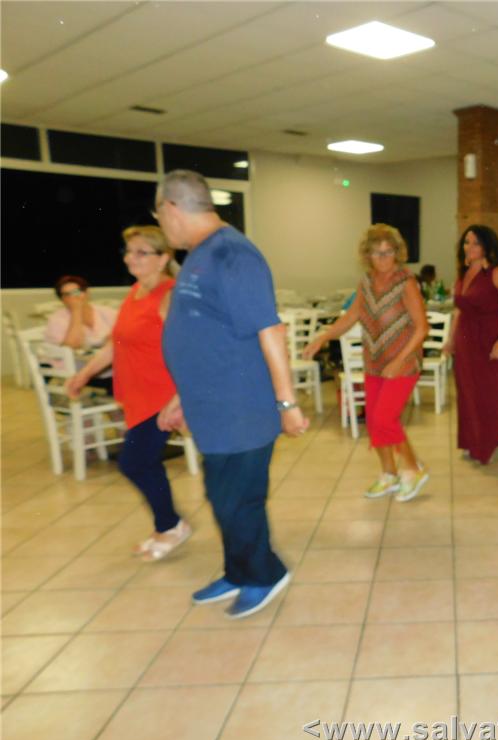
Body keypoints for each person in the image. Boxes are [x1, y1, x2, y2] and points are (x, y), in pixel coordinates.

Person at [156, 169, 308, 620]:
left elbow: (270, 331)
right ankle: (238, 571)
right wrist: (182, 396)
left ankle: (264, 574)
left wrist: (287, 404)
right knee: (223, 497)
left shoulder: (233, 254)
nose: (161, 224)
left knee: (239, 500)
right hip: (213, 406)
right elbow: (202, 333)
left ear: (172, 208)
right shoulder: (200, 254)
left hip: (241, 407)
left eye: (159, 215)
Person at [66, 227, 191, 561]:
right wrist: (84, 374)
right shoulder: (135, 292)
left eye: (141, 252)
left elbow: (189, 349)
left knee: (134, 462)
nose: (130, 258)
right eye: (128, 251)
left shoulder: (170, 295)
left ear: (163, 259)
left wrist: (181, 397)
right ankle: (168, 524)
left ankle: (171, 525)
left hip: (162, 396)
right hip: (137, 394)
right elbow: (115, 344)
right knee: (142, 462)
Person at [303, 224, 430, 501]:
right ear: (367, 255)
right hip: (374, 362)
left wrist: (399, 361)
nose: (383, 259)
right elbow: (351, 317)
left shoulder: (406, 282)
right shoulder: (366, 283)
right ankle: (389, 473)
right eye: (377, 253)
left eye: (388, 252)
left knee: (385, 419)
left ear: (398, 253)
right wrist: (323, 338)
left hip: (403, 363)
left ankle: (414, 468)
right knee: (373, 421)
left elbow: (422, 328)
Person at [444, 225, 498, 464]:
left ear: (487, 246)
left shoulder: (497, 273)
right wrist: (450, 340)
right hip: (466, 340)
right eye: (467, 242)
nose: (470, 247)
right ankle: (472, 441)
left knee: (491, 394)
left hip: (490, 338)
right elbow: (458, 311)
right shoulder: (462, 274)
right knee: (467, 393)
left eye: (476, 242)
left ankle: (491, 441)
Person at [45, 275, 118, 351]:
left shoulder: (107, 312)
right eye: (67, 295)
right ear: (62, 300)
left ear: (86, 293)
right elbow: (70, 347)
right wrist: (76, 311)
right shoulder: (57, 319)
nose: (73, 297)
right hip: (72, 358)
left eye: (76, 292)